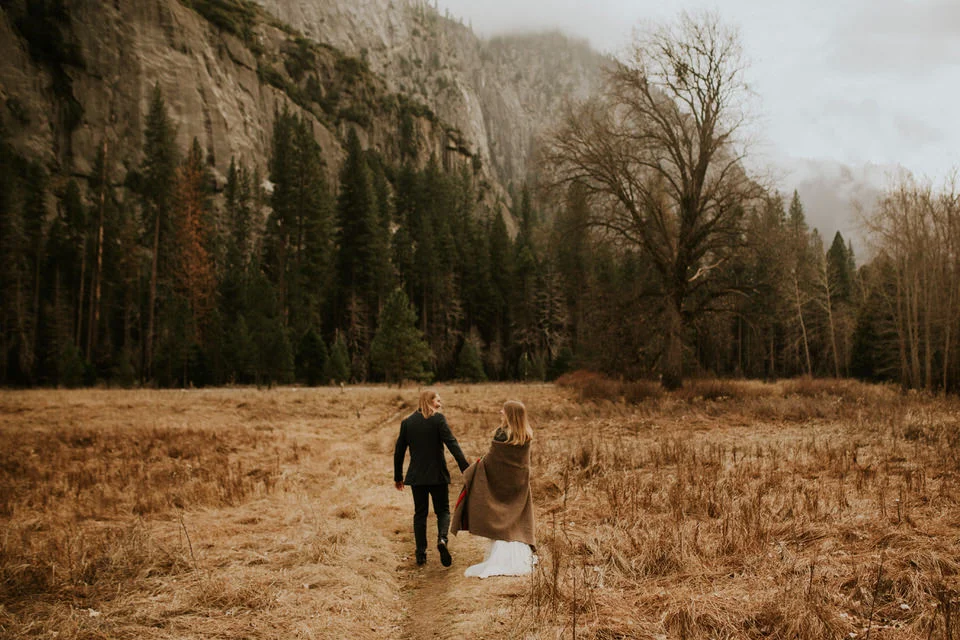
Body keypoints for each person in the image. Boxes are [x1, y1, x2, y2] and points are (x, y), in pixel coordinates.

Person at [451, 400, 536, 578]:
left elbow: (492, 461)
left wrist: (476, 468)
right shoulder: (526, 435)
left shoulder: (501, 434)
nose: (500, 412)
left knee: (501, 516)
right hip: (519, 484)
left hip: (502, 483)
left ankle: (502, 561)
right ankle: (519, 558)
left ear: (510, 415)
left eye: (503, 411)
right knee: (514, 519)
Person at [394, 389, 470, 567]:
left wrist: (398, 477)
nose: (440, 404)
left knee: (420, 514)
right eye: (437, 400)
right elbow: (452, 443)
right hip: (438, 475)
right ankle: (442, 539)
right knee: (442, 511)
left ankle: (420, 554)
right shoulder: (438, 420)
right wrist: (465, 468)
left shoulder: (408, 422)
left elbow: (398, 452)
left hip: (417, 477)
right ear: (428, 401)